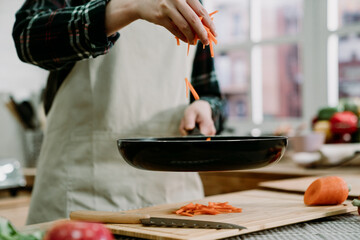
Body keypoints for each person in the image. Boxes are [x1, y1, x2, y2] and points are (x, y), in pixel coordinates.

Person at [13, 0, 225, 224]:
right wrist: (129, 8)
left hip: (173, 198)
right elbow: (28, 37)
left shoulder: (192, 3)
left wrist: (206, 108)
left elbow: (210, 95)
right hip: (82, 199)